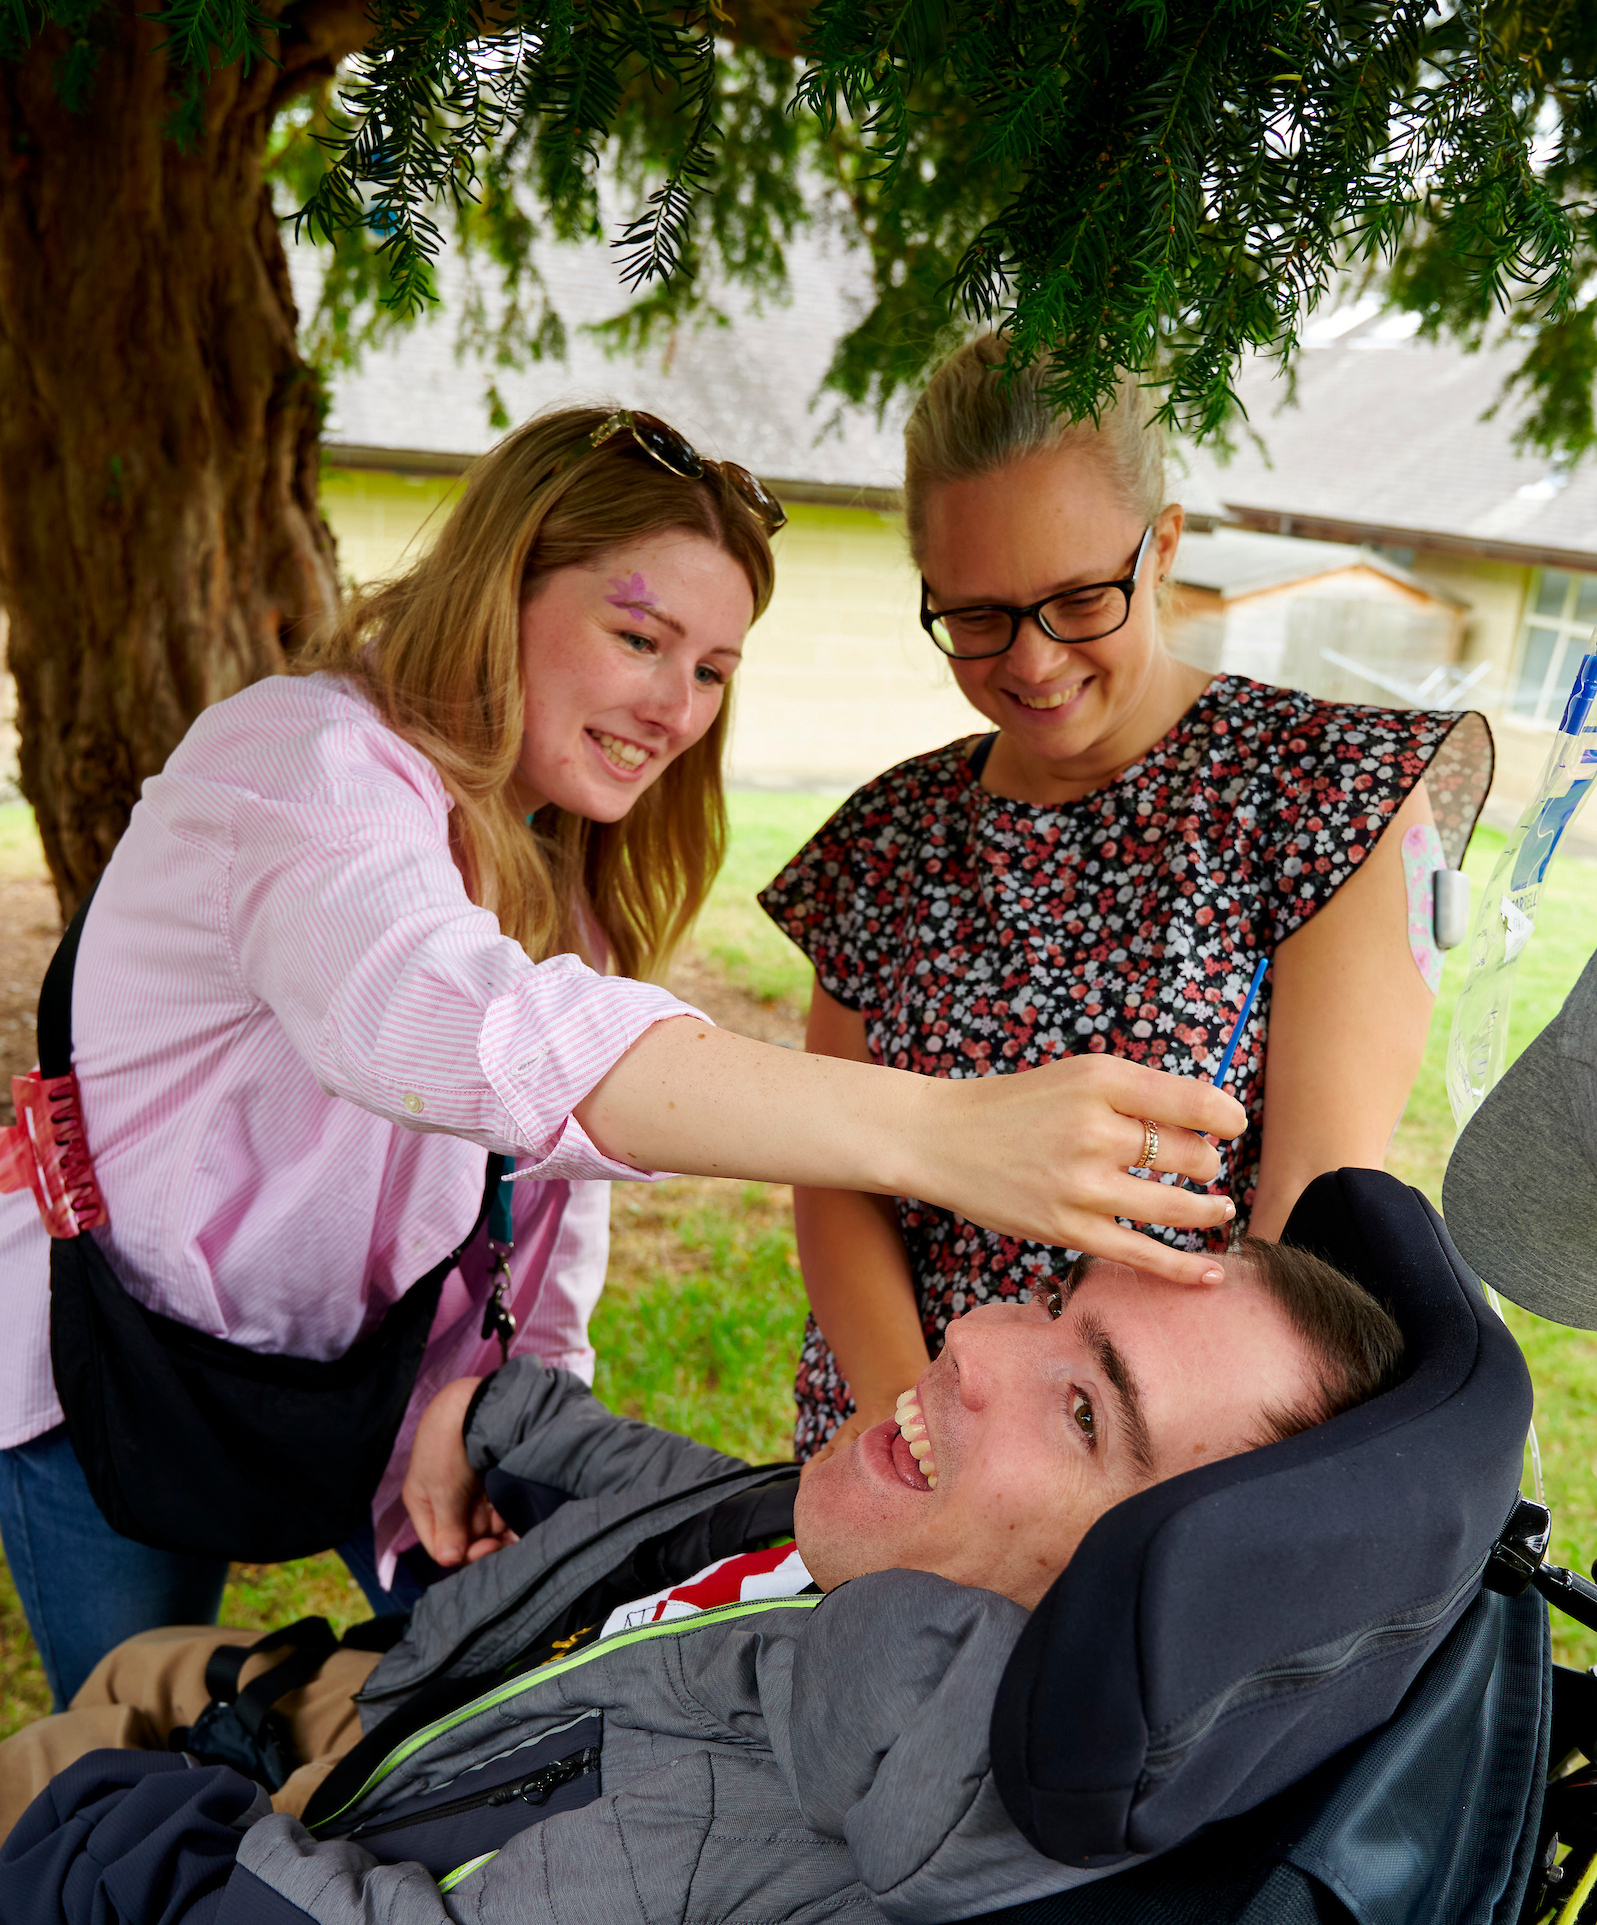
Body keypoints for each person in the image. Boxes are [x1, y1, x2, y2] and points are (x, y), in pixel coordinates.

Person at [0, 402, 1248, 1710]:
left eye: (712, 668)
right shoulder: (300, 762)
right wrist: (934, 1131)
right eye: (639, 637)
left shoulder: (560, 874)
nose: (675, 708)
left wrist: (525, 1416)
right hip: (112, 1365)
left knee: (477, 1721)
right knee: (124, 1764)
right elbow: (431, 1023)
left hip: (387, 1387)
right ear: (500, 590)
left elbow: (544, 1196)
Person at [0, 1238, 1404, 1925]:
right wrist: (507, 1418)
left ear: (1143, 1617)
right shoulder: (912, 1573)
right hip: (395, 1718)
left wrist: (140, 1809)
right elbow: (728, 1520)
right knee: (160, 1662)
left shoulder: (739, 1832)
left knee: (77, 1740)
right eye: (1050, 1298)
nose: (970, 1338)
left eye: (1088, 1411)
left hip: (244, 1855)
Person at [759, 337, 1493, 1462]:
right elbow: (836, 1171)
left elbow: (1307, 1224)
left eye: (1076, 600)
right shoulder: (886, 836)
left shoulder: (1322, 792)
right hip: (897, 1442)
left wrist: (1091, 1491)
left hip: (1151, 1475)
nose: (1032, 662)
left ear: (1164, 549)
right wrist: (915, 1434)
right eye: (977, 617)